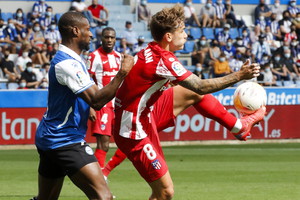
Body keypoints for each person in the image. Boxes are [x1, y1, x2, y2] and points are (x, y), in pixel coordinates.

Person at [112, 5, 265, 200]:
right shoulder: (163, 59)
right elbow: (200, 86)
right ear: (168, 36)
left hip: (145, 112)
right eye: (182, 31)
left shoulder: (153, 49)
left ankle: (238, 127)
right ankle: (239, 126)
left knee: (189, 92)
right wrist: (240, 75)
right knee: (165, 193)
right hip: (132, 128)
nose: (186, 35)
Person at [32, 11, 133, 200]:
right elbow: (96, 99)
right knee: (104, 197)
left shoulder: (74, 60)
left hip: (51, 136)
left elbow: (90, 97)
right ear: (75, 31)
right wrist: (122, 73)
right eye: (88, 29)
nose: (92, 34)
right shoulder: (67, 64)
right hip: (64, 140)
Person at [87, 27, 121, 170]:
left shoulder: (119, 57)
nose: (109, 40)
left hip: (118, 105)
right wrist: (90, 106)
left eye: (112, 37)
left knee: (127, 141)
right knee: (104, 144)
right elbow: (86, 81)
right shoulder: (94, 56)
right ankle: (98, 179)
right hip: (102, 105)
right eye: (106, 37)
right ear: (101, 38)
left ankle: (101, 175)